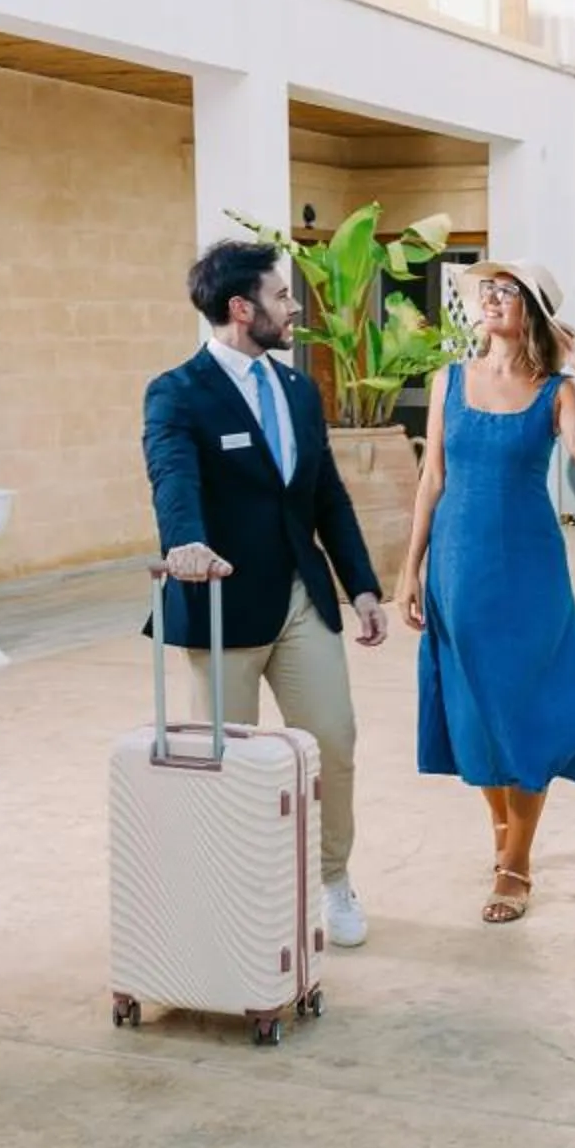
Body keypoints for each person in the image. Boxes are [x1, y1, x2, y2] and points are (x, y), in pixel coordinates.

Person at [142, 239, 386, 949]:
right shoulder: (177, 392)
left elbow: (327, 497)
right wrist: (183, 542)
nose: (295, 306)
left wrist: (361, 586)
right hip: (221, 606)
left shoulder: (299, 389)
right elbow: (172, 476)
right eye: (282, 296)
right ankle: (231, 891)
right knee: (226, 761)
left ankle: (333, 879)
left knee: (332, 741)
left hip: (302, 597)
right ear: (242, 308)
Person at [395, 260, 575, 923]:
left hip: (529, 571)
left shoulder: (556, 391)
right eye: (488, 288)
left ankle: (516, 864)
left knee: (527, 708)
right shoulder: (448, 382)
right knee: (472, 712)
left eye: (508, 291)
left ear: (534, 313)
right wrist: (409, 570)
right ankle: (503, 833)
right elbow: (433, 478)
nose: (492, 298)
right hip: (458, 567)